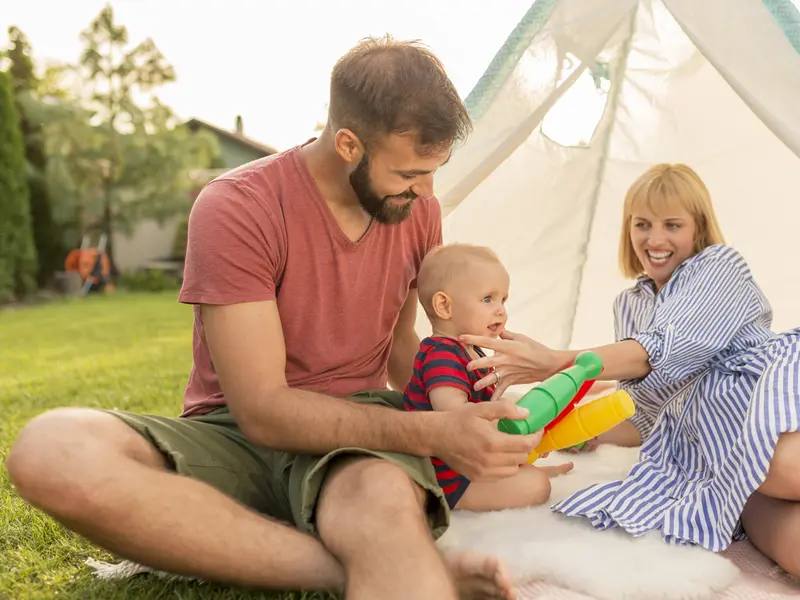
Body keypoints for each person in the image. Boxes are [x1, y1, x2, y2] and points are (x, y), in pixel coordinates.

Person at [5, 36, 544, 600]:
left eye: (433, 172)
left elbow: (402, 344)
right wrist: (429, 431)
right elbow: (262, 409)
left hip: (357, 443)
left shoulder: (415, 209)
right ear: (347, 144)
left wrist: (466, 419)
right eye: (410, 173)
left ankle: (373, 557)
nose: (426, 191)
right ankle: (342, 569)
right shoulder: (239, 206)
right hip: (234, 434)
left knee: (379, 498)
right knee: (53, 448)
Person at [460, 163, 800, 577]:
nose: (655, 240)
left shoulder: (718, 267)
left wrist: (558, 361)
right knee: (774, 533)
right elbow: (646, 412)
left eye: (672, 225)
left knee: (781, 467)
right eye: (643, 224)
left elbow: (659, 351)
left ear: (699, 228)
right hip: (708, 450)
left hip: (768, 393)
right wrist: (574, 430)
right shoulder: (630, 305)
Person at [403, 243, 573, 511]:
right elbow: (455, 417)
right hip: (445, 476)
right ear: (444, 306)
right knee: (538, 486)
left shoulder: (470, 350)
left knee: (527, 470)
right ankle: (437, 501)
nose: (501, 310)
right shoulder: (441, 355)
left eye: (503, 300)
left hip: (465, 463)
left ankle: (513, 475)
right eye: (487, 299)